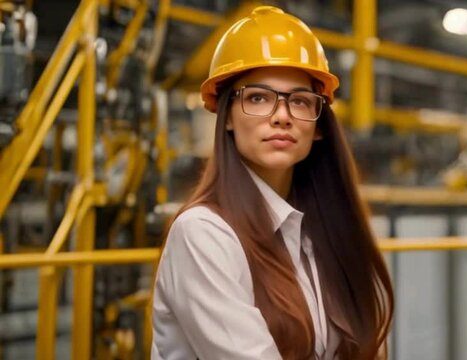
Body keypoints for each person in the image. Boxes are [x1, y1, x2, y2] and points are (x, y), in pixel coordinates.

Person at [152, 6, 394, 360]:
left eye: (299, 101)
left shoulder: (317, 232)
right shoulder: (203, 235)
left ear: (319, 124)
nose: (281, 116)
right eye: (258, 98)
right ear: (227, 116)